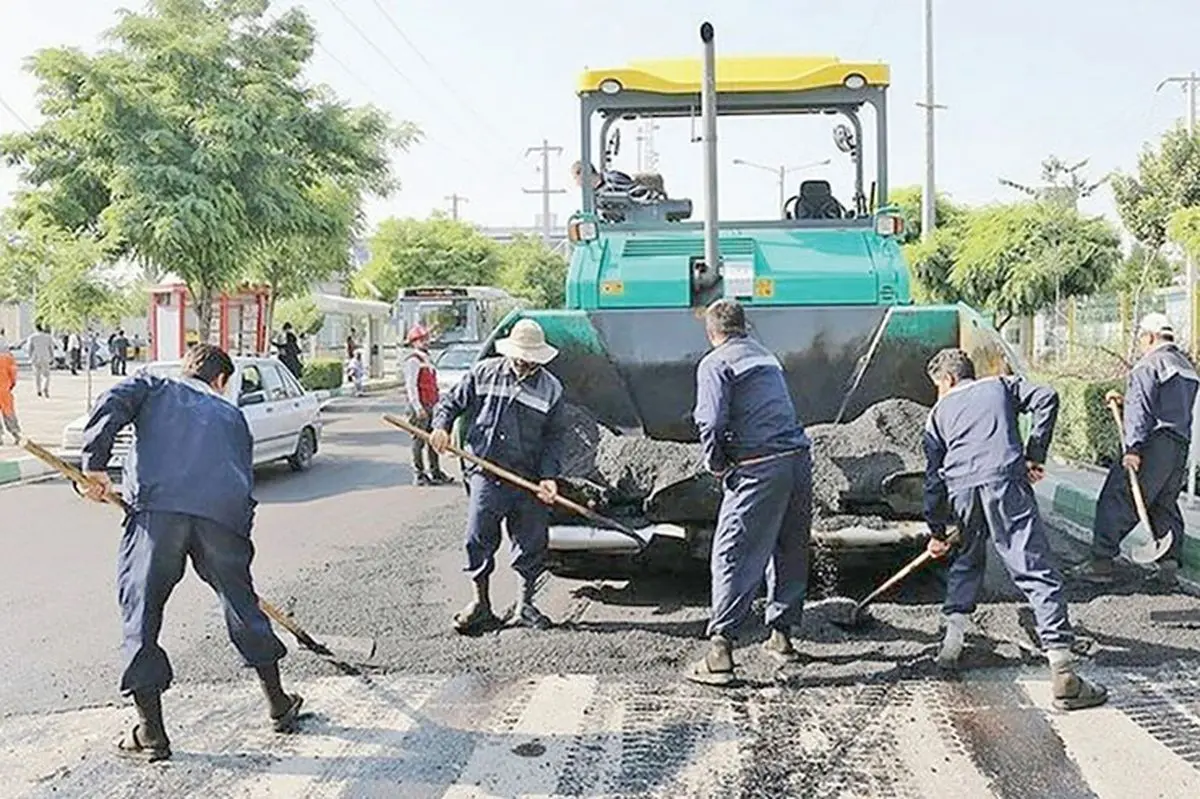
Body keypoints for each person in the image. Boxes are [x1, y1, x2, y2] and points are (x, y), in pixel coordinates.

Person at [79, 344, 304, 762]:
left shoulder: (154, 385)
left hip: (158, 514)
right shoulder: (232, 416)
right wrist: (238, 553)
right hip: (221, 519)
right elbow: (242, 482)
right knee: (242, 605)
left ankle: (151, 731)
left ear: (189, 370)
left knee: (141, 615)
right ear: (220, 380)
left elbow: (112, 400)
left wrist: (95, 465)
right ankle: (278, 703)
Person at [922, 348, 1107, 711]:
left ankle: (950, 647)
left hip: (961, 490)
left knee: (966, 561)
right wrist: (1034, 454)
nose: (938, 393)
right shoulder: (1000, 386)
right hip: (1004, 481)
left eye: (937, 386)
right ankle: (1064, 671)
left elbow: (933, 478)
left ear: (947, 379)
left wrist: (937, 531)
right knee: (1034, 568)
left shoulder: (937, 415)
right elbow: (1047, 397)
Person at [686, 298, 812, 686]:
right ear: (746, 326)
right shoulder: (767, 357)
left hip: (758, 466)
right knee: (788, 547)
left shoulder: (715, 362)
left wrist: (716, 463)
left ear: (712, 332)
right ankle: (782, 637)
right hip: (797, 459)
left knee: (734, 552)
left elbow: (709, 420)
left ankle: (720, 652)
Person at [430, 319, 566, 633]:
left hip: (528, 478)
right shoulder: (483, 373)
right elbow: (450, 403)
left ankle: (526, 605)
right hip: (486, 472)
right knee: (478, 537)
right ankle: (480, 604)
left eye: (531, 357)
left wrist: (549, 476)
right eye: (520, 355)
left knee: (531, 540)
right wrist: (441, 427)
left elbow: (555, 437)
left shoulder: (551, 388)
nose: (525, 362)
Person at [1072, 313, 1198, 588]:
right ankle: (1168, 567)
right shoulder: (1185, 366)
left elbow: (1142, 410)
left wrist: (1133, 448)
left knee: (1117, 496)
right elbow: (1163, 404)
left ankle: (1101, 561)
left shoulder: (1149, 364)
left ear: (1149, 337)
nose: (1140, 344)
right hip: (1178, 446)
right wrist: (1126, 399)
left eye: (1141, 338)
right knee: (1164, 504)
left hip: (1151, 444)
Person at [405, 324, 452, 486]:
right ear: (413, 342)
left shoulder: (427, 359)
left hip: (432, 404)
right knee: (418, 441)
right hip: (420, 406)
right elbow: (411, 386)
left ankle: (435, 471)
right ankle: (419, 473)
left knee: (434, 439)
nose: (425, 342)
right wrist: (417, 407)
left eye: (425, 339)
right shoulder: (413, 360)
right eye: (421, 340)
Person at [27, 323, 55, 398]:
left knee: (37, 375)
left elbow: (29, 349)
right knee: (46, 375)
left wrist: (30, 357)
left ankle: (38, 390)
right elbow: (51, 348)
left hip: (35, 358)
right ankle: (45, 387)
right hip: (45, 357)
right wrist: (52, 357)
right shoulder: (48, 337)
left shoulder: (32, 337)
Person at [0, 337, 19, 446]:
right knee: (9, 412)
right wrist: (11, 385)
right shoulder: (7, 357)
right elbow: (13, 374)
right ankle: (16, 434)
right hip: (4, 388)